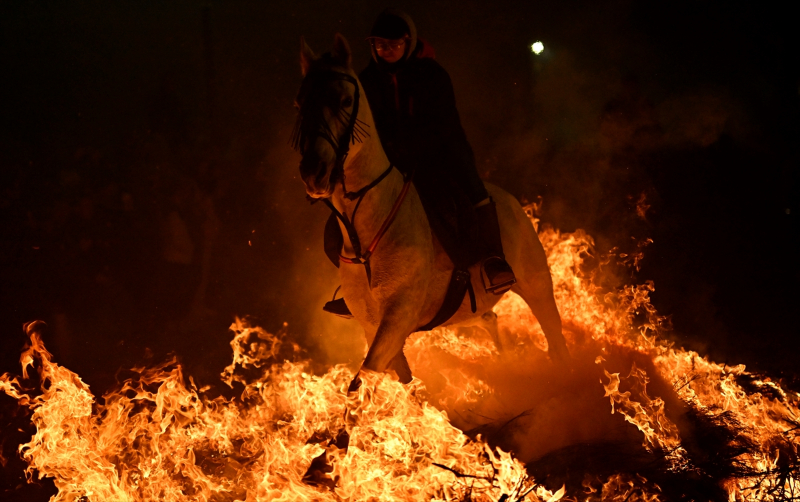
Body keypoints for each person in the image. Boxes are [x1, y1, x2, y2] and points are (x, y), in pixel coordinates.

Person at [324, 9, 515, 317]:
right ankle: (356, 288)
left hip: (435, 156)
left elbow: (444, 125)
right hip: (388, 164)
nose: (386, 50)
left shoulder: (432, 75)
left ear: (408, 42)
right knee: (340, 222)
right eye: (380, 45)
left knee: (469, 194)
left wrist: (413, 148)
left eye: (393, 44)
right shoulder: (366, 82)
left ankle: (493, 261)